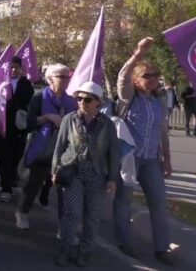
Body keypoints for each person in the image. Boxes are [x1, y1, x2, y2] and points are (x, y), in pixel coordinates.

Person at [113, 37, 176, 266]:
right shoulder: (128, 97)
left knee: (159, 203)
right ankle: (124, 241)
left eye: (155, 75)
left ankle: (162, 248)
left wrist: (167, 161)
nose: (153, 79)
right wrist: (137, 54)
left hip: (151, 160)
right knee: (124, 200)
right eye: (147, 76)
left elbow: (163, 135)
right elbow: (122, 77)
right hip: (128, 159)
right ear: (136, 81)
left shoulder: (159, 102)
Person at [52, 81, 119, 267]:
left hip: (97, 174)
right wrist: (55, 171)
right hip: (72, 172)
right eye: (79, 98)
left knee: (92, 215)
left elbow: (113, 152)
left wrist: (112, 179)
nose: (82, 102)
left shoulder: (107, 125)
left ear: (98, 102)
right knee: (72, 212)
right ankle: (65, 247)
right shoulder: (69, 119)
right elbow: (59, 148)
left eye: (87, 99)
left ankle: (84, 250)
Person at [15, 64, 76, 230]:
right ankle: (22, 212)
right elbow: (29, 123)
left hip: (64, 151)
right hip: (42, 148)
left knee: (65, 188)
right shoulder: (39, 98)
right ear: (50, 79)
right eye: (61, 77)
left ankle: (65, 225)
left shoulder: (71, 101)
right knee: (33, 184)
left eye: (67, 76)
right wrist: (48, 117)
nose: (65, 80)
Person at [0, 56, 34, 202]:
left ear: (21, 69)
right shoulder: (0, 83)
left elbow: (30, 102)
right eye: (11, 67)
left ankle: (9, 178)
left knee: (16, 155)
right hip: (2, 127)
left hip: (19, 127)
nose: (13, 70)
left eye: (16, 67)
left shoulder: (26, 84)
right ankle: (6, 189)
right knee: (4, 157)